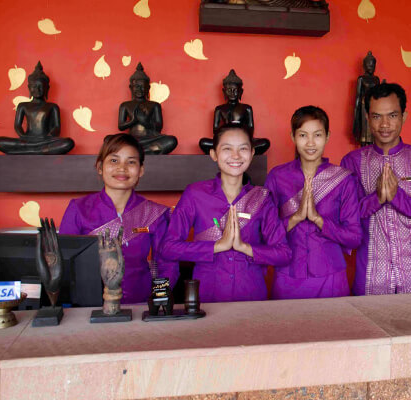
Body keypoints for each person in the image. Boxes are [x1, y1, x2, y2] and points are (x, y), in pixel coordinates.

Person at [161, 123, 291, 302]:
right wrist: (217, 247)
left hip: (251, 296)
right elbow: (169, 248)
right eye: (227, 148)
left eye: (243, 148)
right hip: (207, 296)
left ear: (252, 153)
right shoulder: (195, 194)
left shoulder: (262, 198)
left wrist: (244, 247)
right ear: (214, 154)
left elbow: (284, 254)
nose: (236, 156)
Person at [341, 82, 411, 295]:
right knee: (368, 328)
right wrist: (377, 198)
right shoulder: (352, 161)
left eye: (392, 115)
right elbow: (346, 219)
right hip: (369, 275)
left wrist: (398, 198)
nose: (385, 124)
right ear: (368, 118)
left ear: (404, 117)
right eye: (377, 116)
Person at [59, 134, 178, 303]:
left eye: (131, 162)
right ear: (100, 167)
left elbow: (168, 264)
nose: (122, 168)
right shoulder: (78, 209)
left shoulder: (155, 213)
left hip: (141, 303)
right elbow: (65, 262)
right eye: (114, 161)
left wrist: (157, 302)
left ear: (141, 170)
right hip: (89, 305)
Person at [265, 106, 361, 299]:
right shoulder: (277, 177)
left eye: (317, 135)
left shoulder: (343, 180)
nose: (310, 143)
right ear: (292, 137)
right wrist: (296, 218)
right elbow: (265, 235)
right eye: (302, 135)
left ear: (327, 136)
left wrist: (319, 220)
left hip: (331, 278)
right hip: (287, 275)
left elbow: (354, 237)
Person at [0, 61, 74, 155]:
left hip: (45, 140)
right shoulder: (22, 105)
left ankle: (29, 150)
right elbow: (17, 125)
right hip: (27, 140)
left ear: (47, 88)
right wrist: (23, 136)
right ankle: (39, 150)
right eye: (34, 87)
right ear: (29, 88)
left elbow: (57, 127)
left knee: (68, 142)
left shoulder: (53, 107)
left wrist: (50, 136)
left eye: (40, 87)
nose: (37, 90)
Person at [118, 62, 178, 154]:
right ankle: (144, 151)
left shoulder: (154, 105)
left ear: (148, 88)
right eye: (137, 86)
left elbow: (158, 128)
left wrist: (145, 122)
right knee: (108, 140)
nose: (139, 89)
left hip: (149, 139)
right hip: (131, 140)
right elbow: (121, 126)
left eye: (143, 87)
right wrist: (133, 121)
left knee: (172, 140)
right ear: (131, 87)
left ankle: (137, 151)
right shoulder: (125, 105)